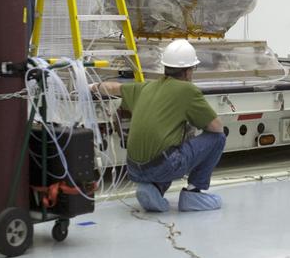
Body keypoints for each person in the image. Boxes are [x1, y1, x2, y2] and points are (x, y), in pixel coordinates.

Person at [92, 39, 226, 212]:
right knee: (217, 139)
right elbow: (216, 128)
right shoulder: (188, 90)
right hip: (163, 166)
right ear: (187, 71)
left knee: (168, 143)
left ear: (165, 67)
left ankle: (152, 189)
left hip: (133, 169)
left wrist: (92, 86)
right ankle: (194, 193)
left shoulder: (146, 88)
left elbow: (112, 88)